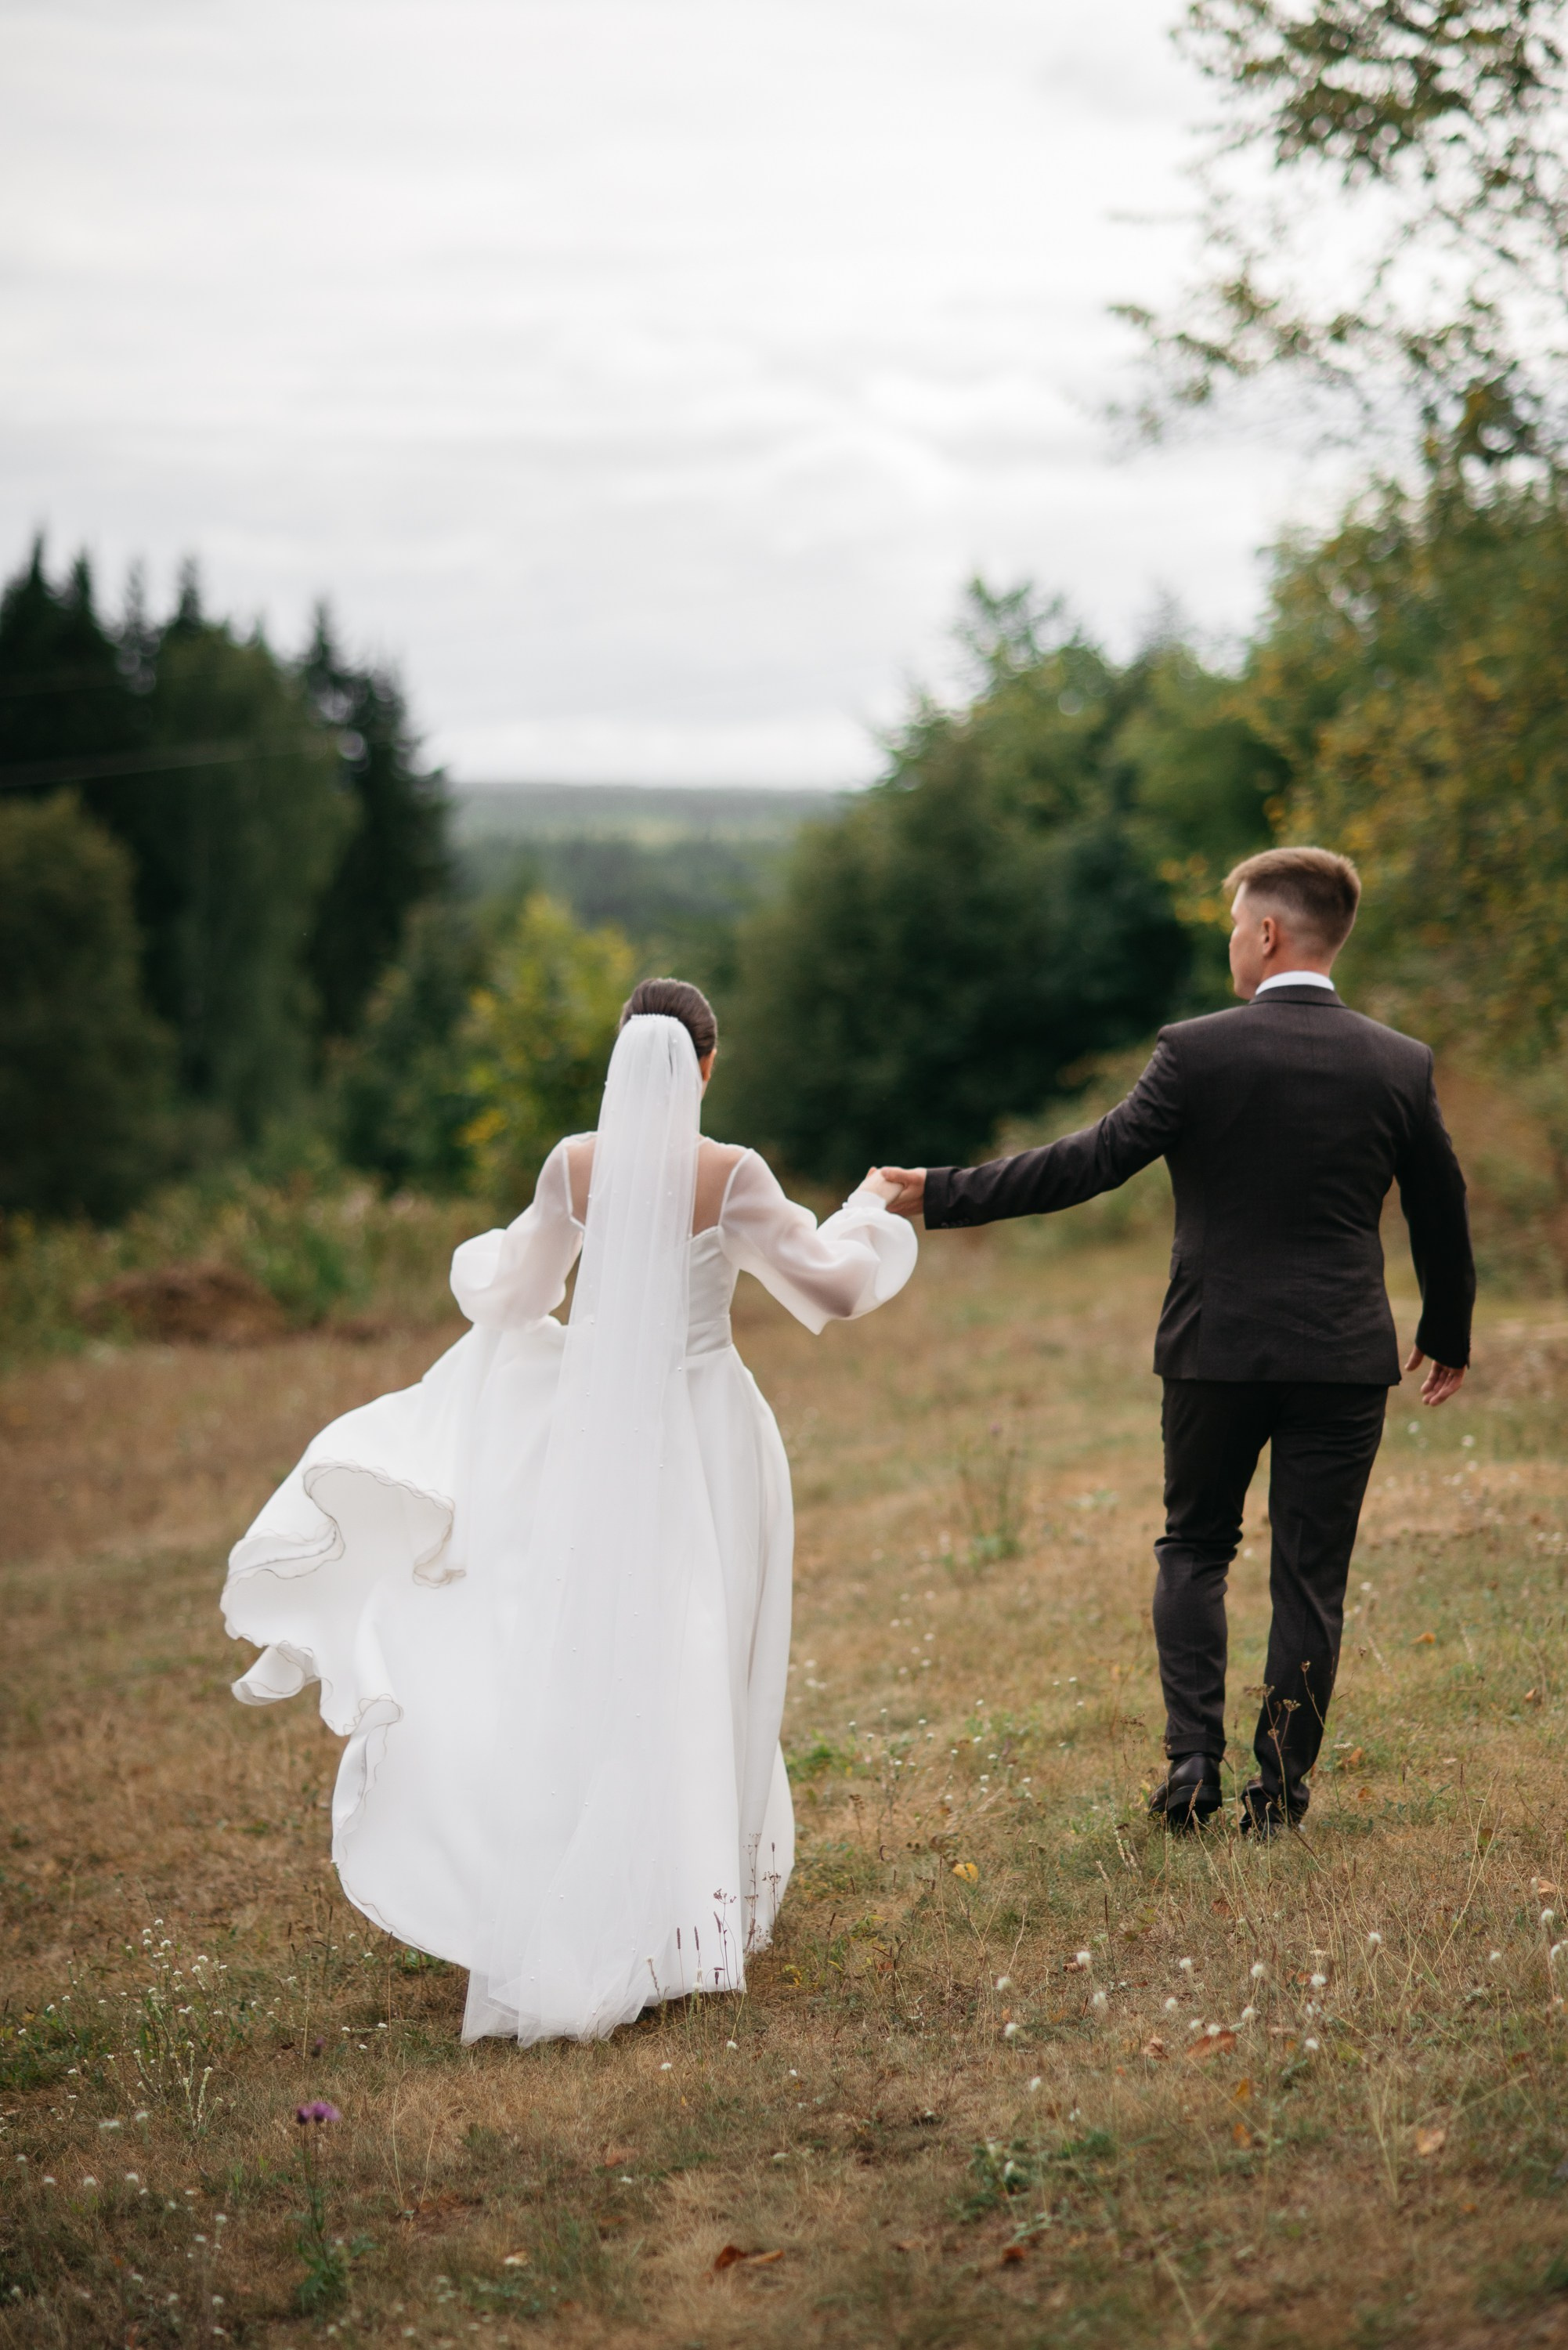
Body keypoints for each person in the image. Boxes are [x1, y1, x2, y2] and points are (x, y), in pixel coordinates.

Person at [222, 979, 915, 2041]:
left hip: (585, 1438)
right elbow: (825, 1291)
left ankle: (586, 1895)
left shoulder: (569, 1165)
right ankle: (682, 1917)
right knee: (697, 1648)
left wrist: (479, 1260)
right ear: (705, 1063)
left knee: (585, 1653)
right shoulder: (730, 1174)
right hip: (705, 1433)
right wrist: (866, 1213)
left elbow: (513, 1299)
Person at [880, 847, 1474, 1837]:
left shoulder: (1196, 1051)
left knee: (1195, 1546)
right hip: (1341, 1355)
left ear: (1269, 934)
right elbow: (1441, 1209)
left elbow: (1090, 1162)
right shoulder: (1397, 1062)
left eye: (1237, 925)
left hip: (1215, 1350)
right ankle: (1277, 1795)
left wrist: (943, 1191)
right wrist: (1445, 1330)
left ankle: (1191, 1764)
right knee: (1309, 1576)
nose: (1232, 942)